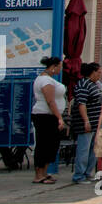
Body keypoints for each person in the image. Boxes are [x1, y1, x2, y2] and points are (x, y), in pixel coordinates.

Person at [31, 56, 68, 185]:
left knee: (52, 144)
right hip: (45, 116)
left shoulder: (48, 79)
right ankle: (39, 174)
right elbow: (50, 101)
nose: (61, 69)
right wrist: (59, 117)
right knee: (44, 144)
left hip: (48, 116)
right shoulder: (46, 81)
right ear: (53, 67)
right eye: (60, 66)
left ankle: (45, 172)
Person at [70, 63, 102, 185]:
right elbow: (81, 103)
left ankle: (87, 173)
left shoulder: (94, 84)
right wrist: (86, 120)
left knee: (92, 150)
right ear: (93, 72)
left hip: (95, 123)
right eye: (99, 72)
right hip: (86, 124)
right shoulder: (83, 84)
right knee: (83, 149)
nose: (100, 75)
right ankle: (79, 175)